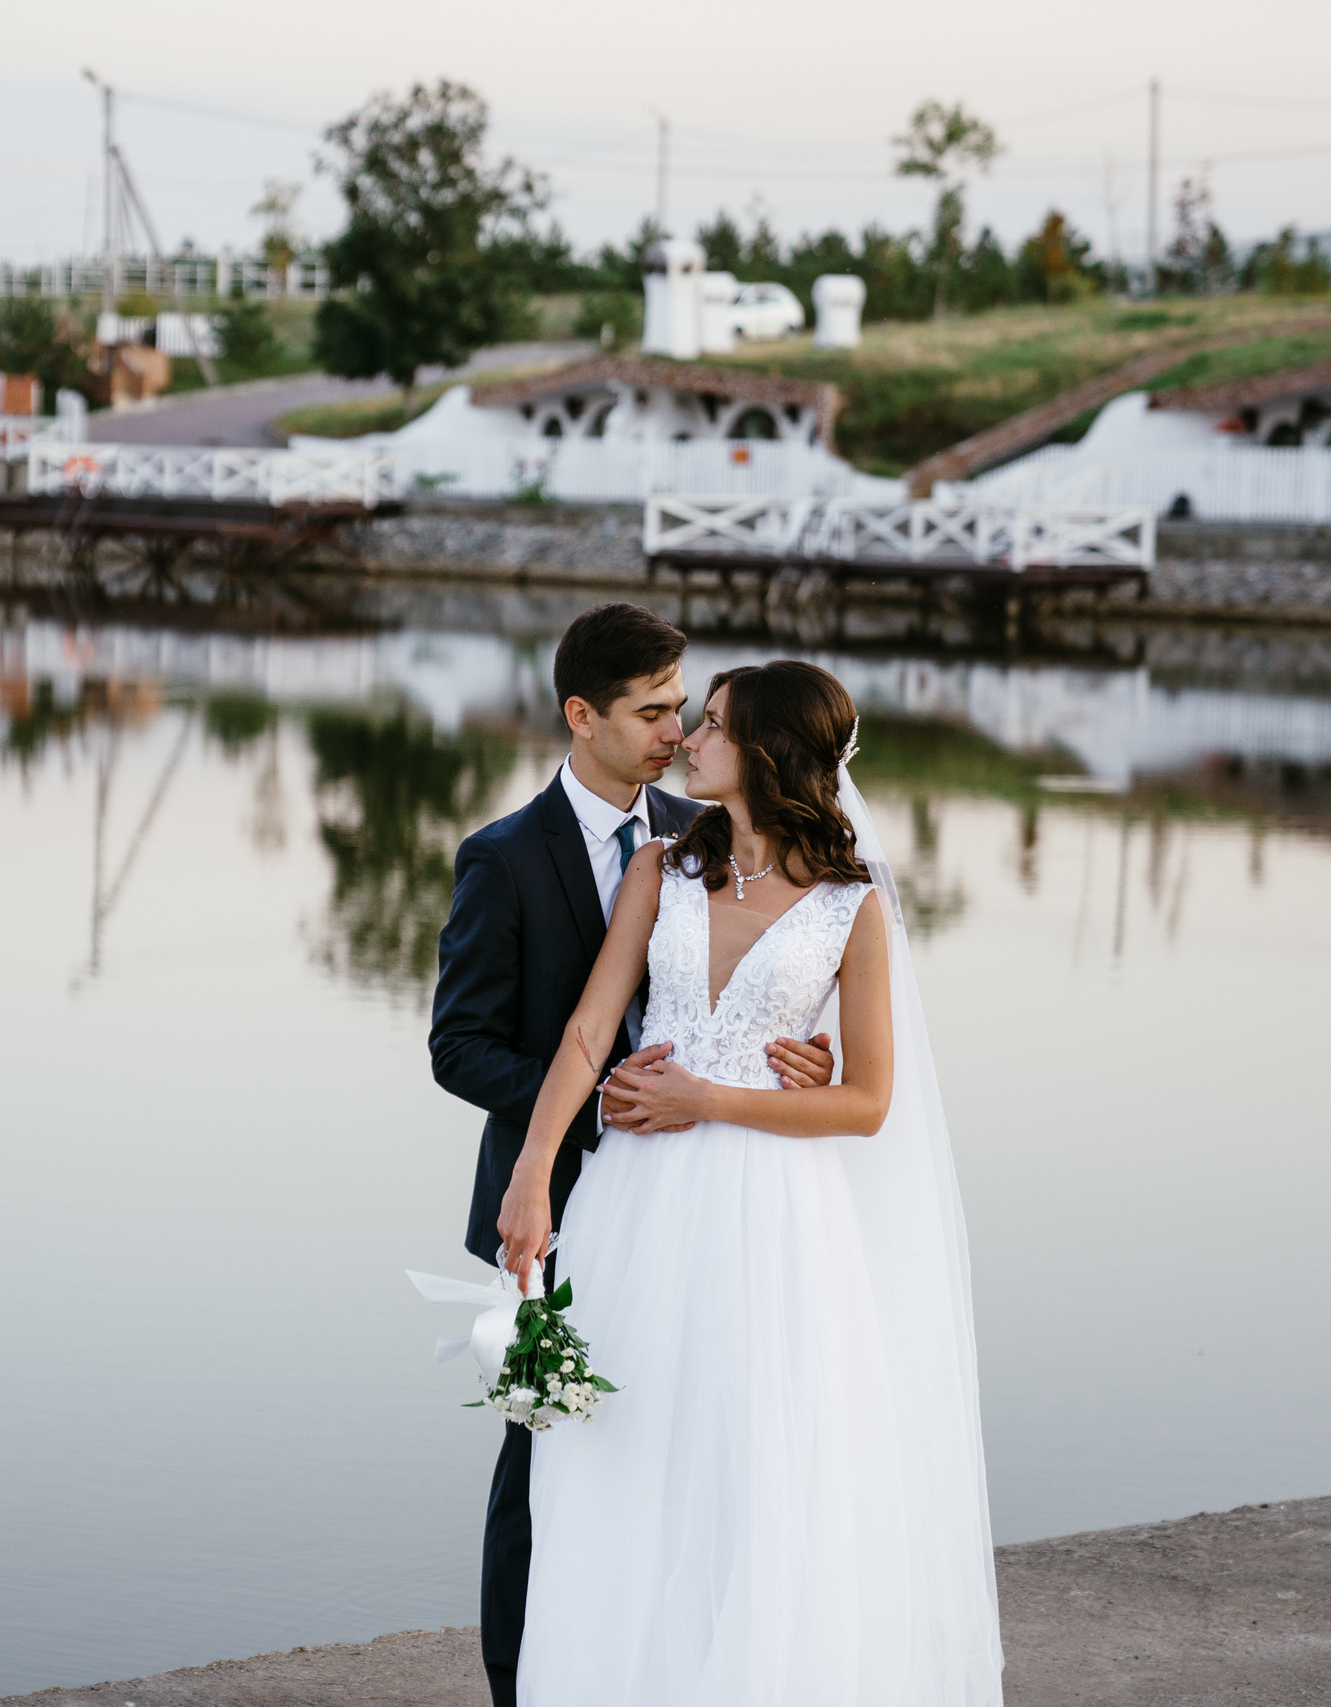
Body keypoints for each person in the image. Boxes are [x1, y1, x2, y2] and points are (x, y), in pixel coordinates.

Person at [497, 659, 1002, 1706]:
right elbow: (591, 1030)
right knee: (620, 1459)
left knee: (758, 1465)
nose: (688, 737)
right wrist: (534, 1174)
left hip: (776, 1218)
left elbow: (866, 1101)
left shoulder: (851, 908)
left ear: (767, 750)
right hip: (639, 1205)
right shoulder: (662, 873)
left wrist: (705, 1100)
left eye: (714, 724)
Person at [429, 606, 839, 1707]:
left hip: (709, 1197)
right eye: (652, 712)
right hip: (555, 1199)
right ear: (582, 716)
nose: (673, 729)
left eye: (681, 709)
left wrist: (799, 1052)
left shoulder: (701, 825)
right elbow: (458, 1049)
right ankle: (524, 1687)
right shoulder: (503, 859)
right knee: (545, 1462)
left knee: (694, 1436)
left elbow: (771, 969)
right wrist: (607, 1107)